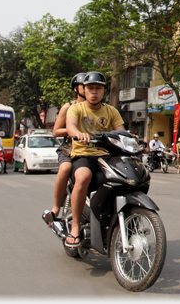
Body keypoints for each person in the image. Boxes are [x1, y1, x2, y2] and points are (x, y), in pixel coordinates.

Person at [64, 71, 125, 248]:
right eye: (90, 88)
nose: (94, 92)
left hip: (106, 157)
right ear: (83, 89)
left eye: (98, 88)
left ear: (104, 91)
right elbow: (71, 127)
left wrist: (129, 139)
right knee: (82, 177)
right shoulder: (76, 108)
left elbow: (120, 131)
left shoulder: (111, 111)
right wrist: (78, 134)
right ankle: (75, 226)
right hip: (84, 155)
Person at [44, 72, 86, 223]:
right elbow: (56, 131)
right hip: (70, 147)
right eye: (85, 86)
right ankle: (56, 207)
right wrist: (74, 131)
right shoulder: (68, 107)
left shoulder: (99, 108)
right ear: (76, 89)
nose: (89, 89)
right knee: (65, 169)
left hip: (91, 148)